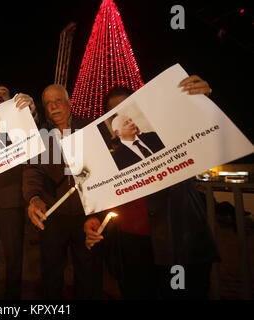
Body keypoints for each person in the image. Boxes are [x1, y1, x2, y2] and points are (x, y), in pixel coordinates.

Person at [84, 75, 221, 299]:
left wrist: (201, 103)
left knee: (180, 293)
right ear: (111, 127)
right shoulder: (107, 159)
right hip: (132, 246)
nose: (125, 116)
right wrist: (95, 221)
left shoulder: (167, 137)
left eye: (129, 108)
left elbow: (207, 136)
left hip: (178, 242)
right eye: (116, 113)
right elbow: (104, 196)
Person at [22, 84, 102, 300]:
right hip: (52, 216)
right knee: (50, 274)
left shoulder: (90, 129)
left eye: (58, 100)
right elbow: (32, 170)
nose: (53, 106)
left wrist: (96, 213)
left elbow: (104, 170)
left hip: (87, 216)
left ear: (69, 103)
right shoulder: (41, 136)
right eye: (48, 103)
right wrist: (34, 198)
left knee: (88, 273)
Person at [0, 85, 38, 299]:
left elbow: (35, 131)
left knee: (13, 256)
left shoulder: (18, 122)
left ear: (10, 99)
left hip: (11, 199)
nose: (0, 95)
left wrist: (31, 111)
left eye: (4, 93)